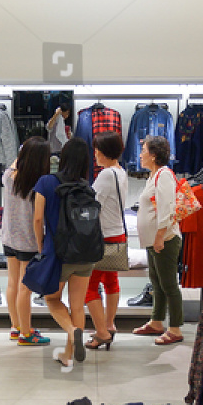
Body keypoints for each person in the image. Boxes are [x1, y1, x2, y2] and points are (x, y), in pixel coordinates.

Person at [32, 138, 95, 370]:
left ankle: (72, 331)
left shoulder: (46, 182)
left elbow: (38, 219)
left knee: (52, 299)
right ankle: (68, 355)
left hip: (58, 253)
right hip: (85, 253)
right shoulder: (87, 186)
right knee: (77, 306)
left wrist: (41, 247)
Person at [134, 135, 184, 346]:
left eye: (143, 150)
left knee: (169, 284)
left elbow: (167, 209)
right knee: (156, 282)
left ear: (153, 156)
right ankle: (156, 321)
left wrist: (159, 237)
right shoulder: (154, 175)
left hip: (164, 239)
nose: (140, 154)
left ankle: (175, 328)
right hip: (155, 239)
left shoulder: (164, 176)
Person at [2, 137, 52, 346]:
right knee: (25, 287)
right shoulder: (40, 183)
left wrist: (22, 152)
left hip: (9, 236)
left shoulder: (8, 176)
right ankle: (26, 334)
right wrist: (41, 245)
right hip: (29, 240)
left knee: (13, 282)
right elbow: (39, 218)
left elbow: (14, 164)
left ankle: (16, 327)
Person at [83, 132, 128, 350]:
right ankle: (109, 325)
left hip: (102, 237)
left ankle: (102, 333)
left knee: (89, 287)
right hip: (118, 233)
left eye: (97, 150)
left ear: (102, 152)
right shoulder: (121, 172)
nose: (95, 154)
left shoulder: (106, 175)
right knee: (111, 281)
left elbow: (92, 205)